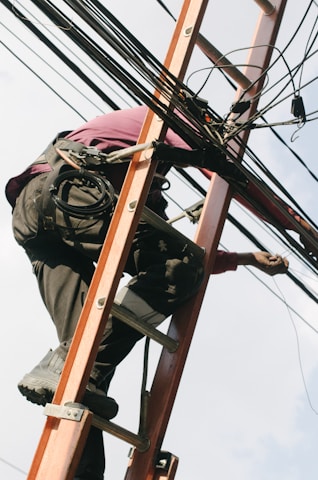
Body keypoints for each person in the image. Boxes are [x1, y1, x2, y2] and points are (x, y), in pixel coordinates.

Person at [5, 105, 289, 479]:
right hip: (69, 191)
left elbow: (171, 247)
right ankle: (65, 365)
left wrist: (245, 258)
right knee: (179, 270)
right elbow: (213, 162)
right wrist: (289, 222)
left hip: (38, 214)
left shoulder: (146, 176)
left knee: (84, 371)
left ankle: (80, 471)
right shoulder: (161, 115)